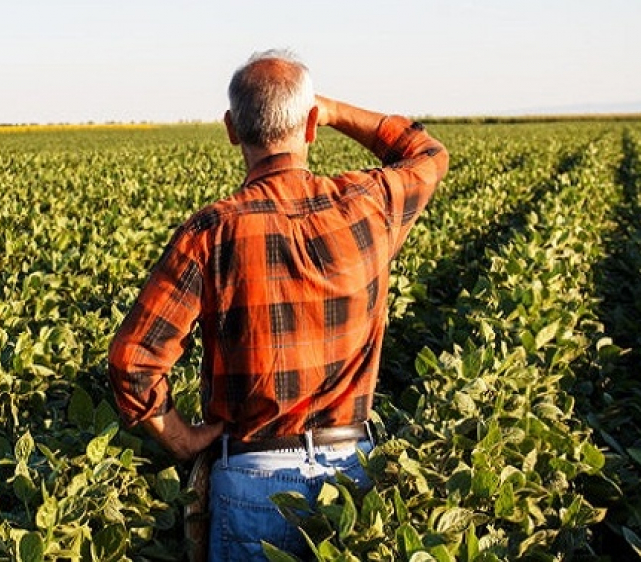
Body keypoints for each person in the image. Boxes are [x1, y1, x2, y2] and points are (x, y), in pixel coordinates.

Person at [108, 49, 448, 560]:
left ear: (230, 128)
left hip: (250, 480)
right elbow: (426, 154)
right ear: (311, 124)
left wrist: (179, 439)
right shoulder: (368, 204)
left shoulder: (212, 231)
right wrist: (332, 110)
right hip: (351, 477)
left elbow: (133, 361)